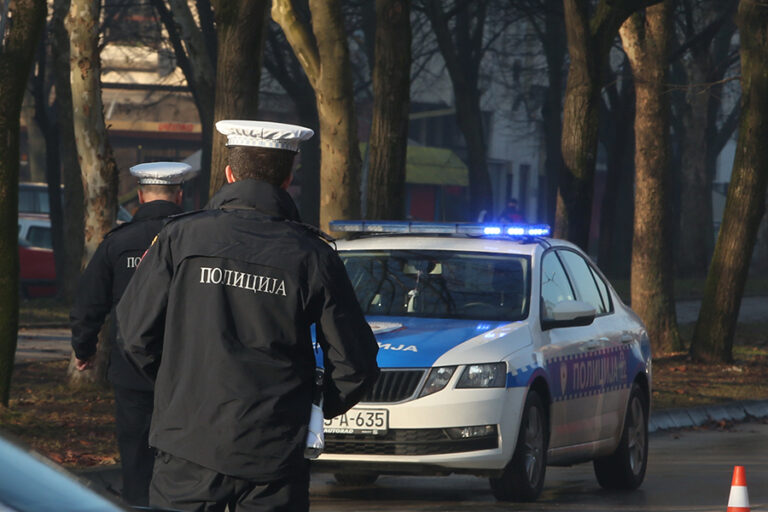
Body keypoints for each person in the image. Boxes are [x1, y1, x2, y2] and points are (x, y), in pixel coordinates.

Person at [115, 120, 380, 512]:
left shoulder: (180, 238)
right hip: (274, 450)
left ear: (229, 174)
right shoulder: (312, 255)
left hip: (187, 441)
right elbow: (355, 363)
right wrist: (306, 408)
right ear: (288, 179)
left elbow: (133, 334)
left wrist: (181, 393)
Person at [70, 161, 198, 506]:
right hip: (189, 369)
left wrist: (84, 349)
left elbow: (89, 303)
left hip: (132, 367)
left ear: (140, 196)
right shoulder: (199, 241)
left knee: (136, 451)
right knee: (186, 452)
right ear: (179, 195)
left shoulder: (118, 242)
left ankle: (140, 502)